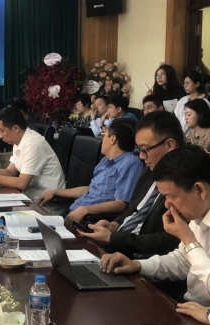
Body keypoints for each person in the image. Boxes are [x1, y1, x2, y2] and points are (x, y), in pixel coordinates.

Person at [99, 146, 210, 310]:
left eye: (171, 196)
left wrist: (188, 239)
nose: (167, 204)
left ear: (199, 190)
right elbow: (183, 261)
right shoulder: (203, 208)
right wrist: (138, 265)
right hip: (195, 309)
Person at [77, 111, 183, 259]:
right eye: (139, 149)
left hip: (138, 257)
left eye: (145, 149)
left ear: (169, 145)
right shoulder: (150, 168)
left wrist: (114, 239)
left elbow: (170, 239)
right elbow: (133, 210)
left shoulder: (185, 181)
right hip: (117, 243)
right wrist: (114, 225)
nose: (141, 156)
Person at [38, 119, 144, 222]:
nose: (102, 139)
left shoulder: (130, 163)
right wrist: (56, 191)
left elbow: (121, 204)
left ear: (112, 139)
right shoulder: (106, 160)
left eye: (104, 135)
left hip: (89, 219)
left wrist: (86, 210)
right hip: (74, 212)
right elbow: (91, 189)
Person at [0, 107, 65, 201]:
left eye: (2, 131)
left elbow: (22, 184)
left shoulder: (33, 144)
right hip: (31, 197)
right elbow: (10, 172)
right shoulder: (19, 141)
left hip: (46, 203)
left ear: (15, 128)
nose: (0, 136)